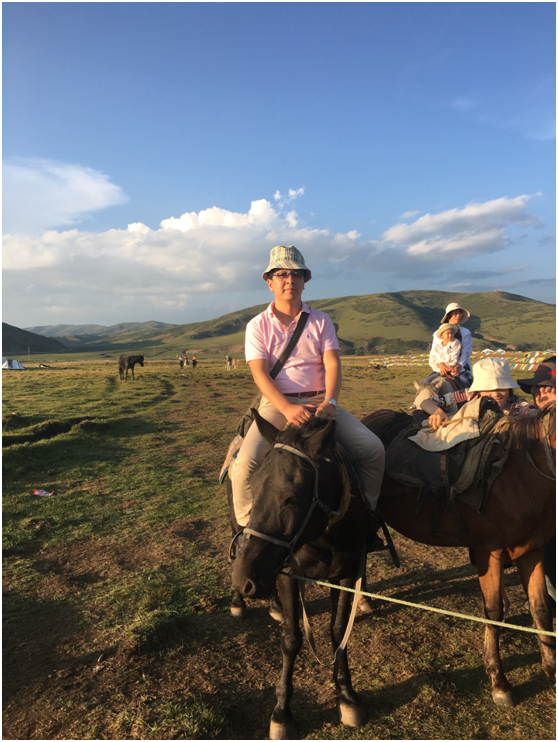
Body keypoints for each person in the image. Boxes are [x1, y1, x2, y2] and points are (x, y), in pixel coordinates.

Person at [230, 245, 385, 550]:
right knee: (245, 464)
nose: (290, 280)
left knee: (373, 450)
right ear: (270, 282)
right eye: (282, 274)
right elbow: (260, 373)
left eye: (297, 274)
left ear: (305, 281)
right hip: (277, 405)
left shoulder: (320, 320)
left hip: (320, 404)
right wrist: (287, 408)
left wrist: (330, 402)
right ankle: (247, 534)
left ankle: (366, 518)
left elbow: (332, 364)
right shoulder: (257, 325)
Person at [420, 357, 535, 429]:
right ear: (479, 389)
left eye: (502, 387)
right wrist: (438, 413)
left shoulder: (518, 405)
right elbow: (426, 402)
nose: (496, 394)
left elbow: (534, 414)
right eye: (488, 388)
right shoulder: (469, 396)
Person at [424, 302, 473, 387]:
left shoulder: (466, 333)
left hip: (461, 367)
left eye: (460, 313)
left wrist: (458, 366)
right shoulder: (438, 334)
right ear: (449, 315)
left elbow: (466, 352)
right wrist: (441, 366)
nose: (458, 315)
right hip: (441, 367)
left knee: (467, 384)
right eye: (455, 313)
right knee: (426, 383)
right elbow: (434, 353)